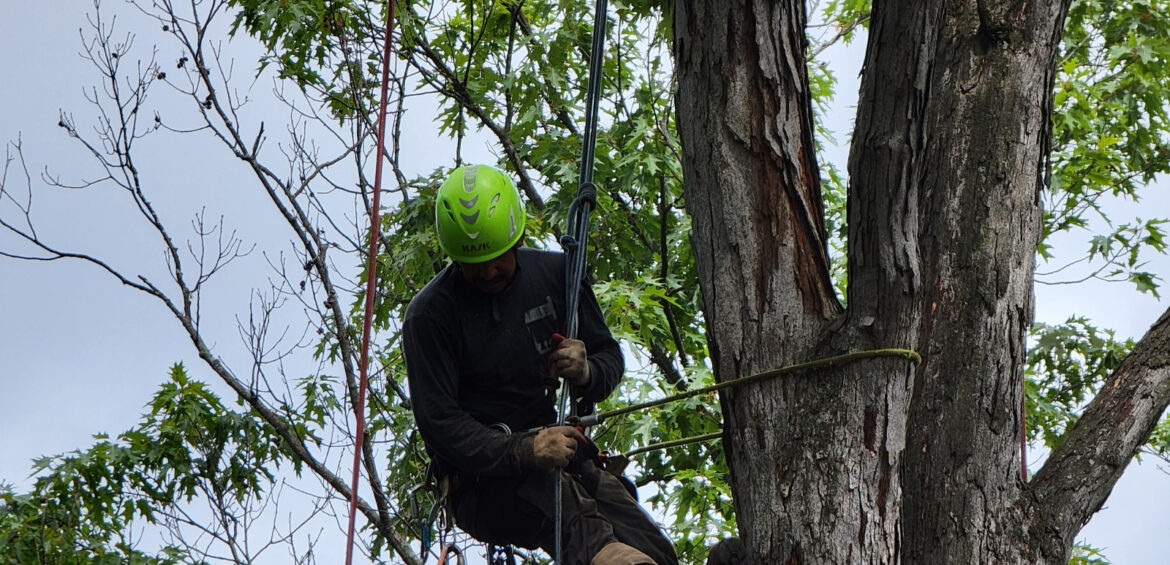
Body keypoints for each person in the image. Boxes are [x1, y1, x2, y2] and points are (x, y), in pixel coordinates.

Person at [403, 165, 678, 565]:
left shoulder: (556, 276)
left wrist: (587, 372)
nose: (487, 273)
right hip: (485, 484)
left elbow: (608, 357)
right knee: (583, 527)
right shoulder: (431, 316)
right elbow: (441, 424)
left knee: (649, 543)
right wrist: (526, 449)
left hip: (565, 460)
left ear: (515, 240)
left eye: (497, 259)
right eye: (472, 264)